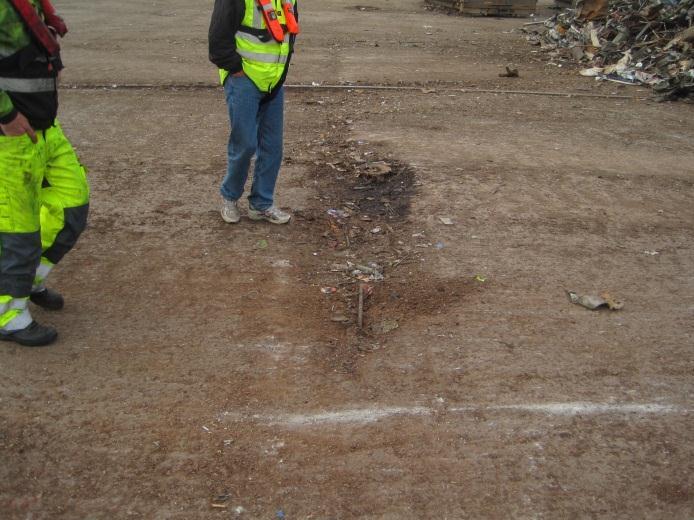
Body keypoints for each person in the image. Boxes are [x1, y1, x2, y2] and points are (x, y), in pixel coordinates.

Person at [0, 0, 89, 347]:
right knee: (18, 230)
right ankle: (10, 315)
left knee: (72, 205)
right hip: (12, 137)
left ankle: (28, 280)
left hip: (44, 128)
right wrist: (5, 116)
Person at [208, 0, 299, 225]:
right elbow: (218, 39)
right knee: (245, 144)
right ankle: (230, 198)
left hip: (273, 81)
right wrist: (235, 69)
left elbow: (288, 37)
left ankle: (261, 204)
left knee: (272, 146)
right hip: (244, 80)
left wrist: (281, 75)